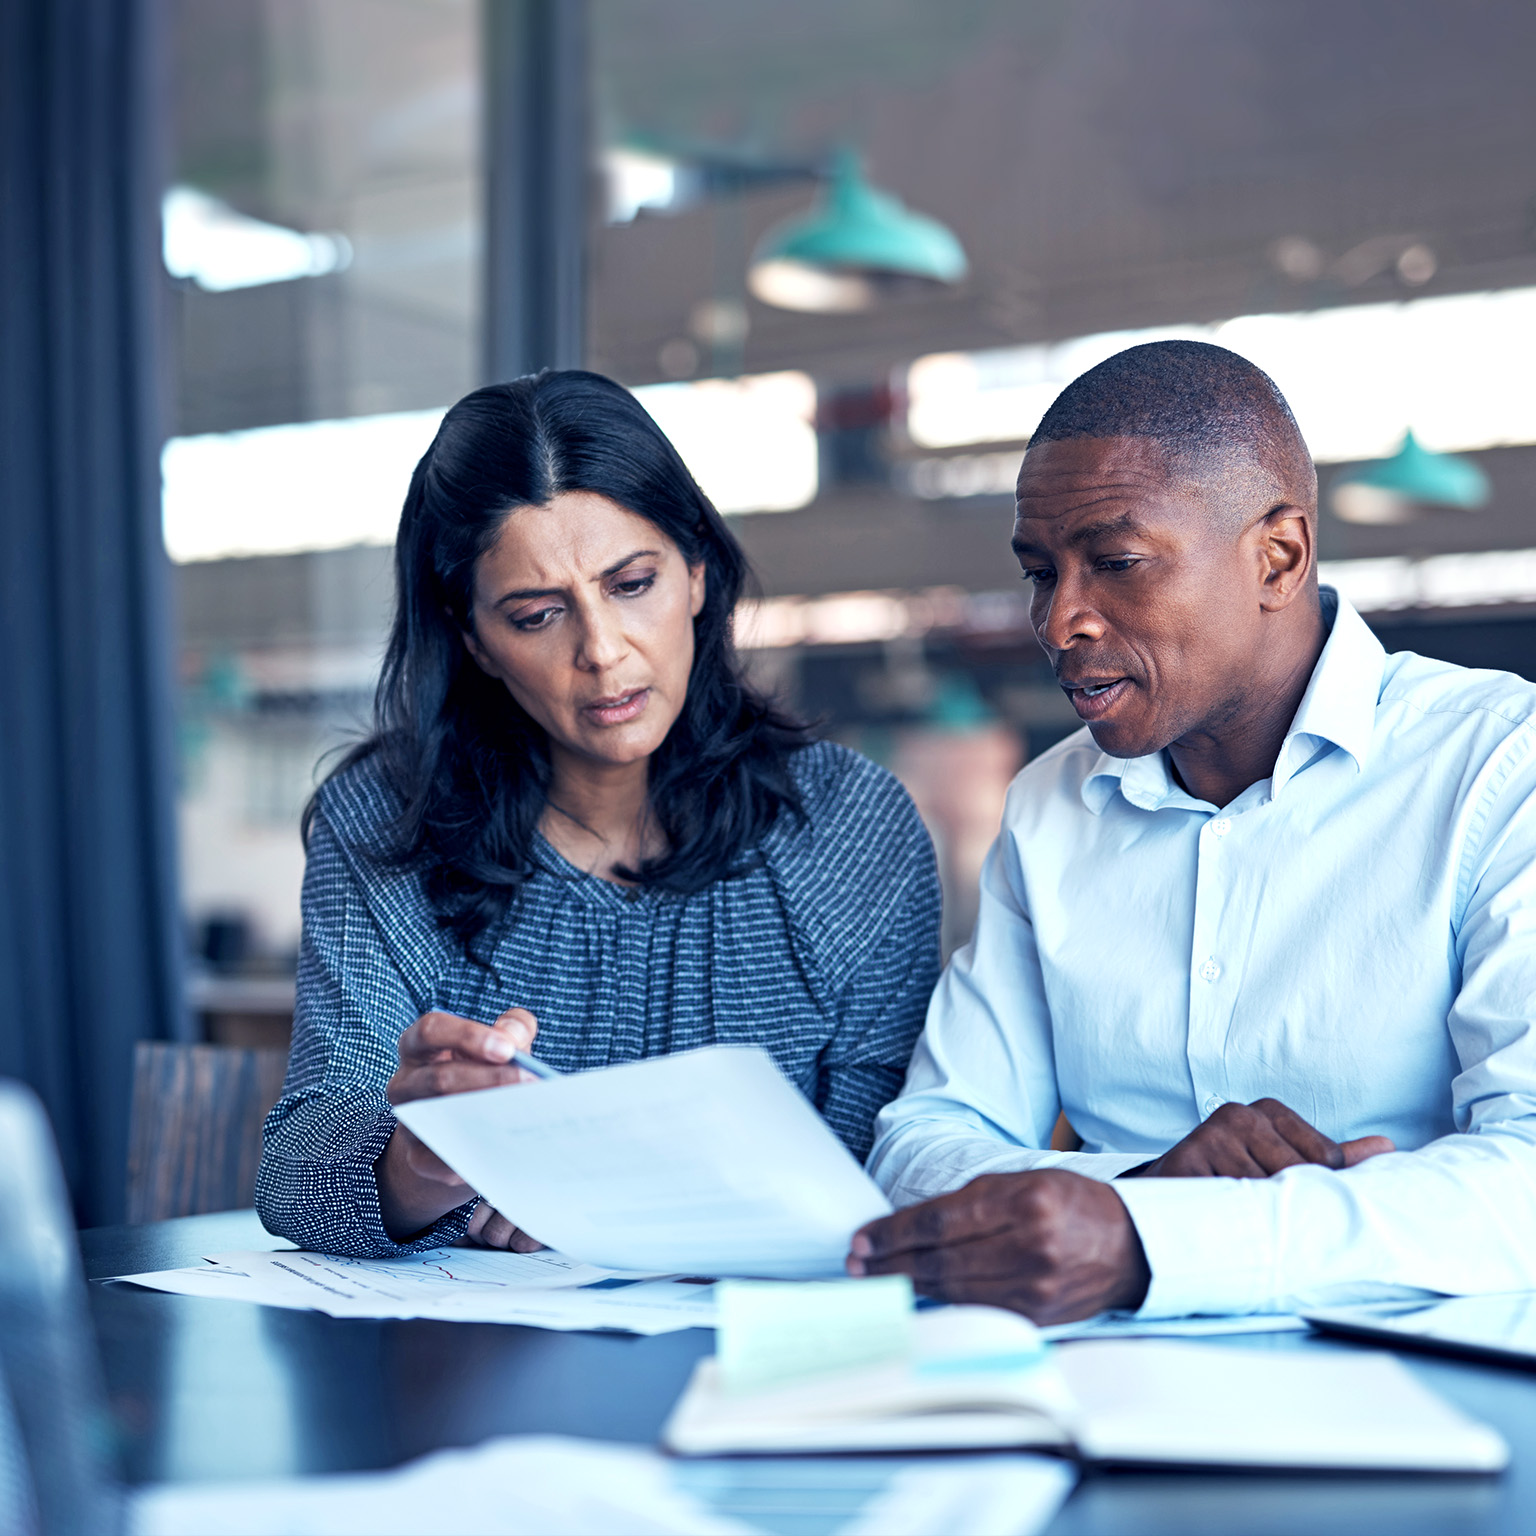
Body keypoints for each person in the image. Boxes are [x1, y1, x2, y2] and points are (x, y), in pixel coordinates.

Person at [852, 339, 1536, 1323]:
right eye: (1042, 573)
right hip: (1093, 1392)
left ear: (1278, 556)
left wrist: (1148, 1241)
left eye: (1116, 563)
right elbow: (927, 1137)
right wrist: (1148, 1186)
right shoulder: (1052, 806)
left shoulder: (1499, 767)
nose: (1061, 621)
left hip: (1416, 1403)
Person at [257, 370, 940, 1257]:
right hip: (479, 1374)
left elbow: (881, 1169)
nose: (603, 651)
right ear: (475, 642)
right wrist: (423, 1170)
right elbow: (296, 1172)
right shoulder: (387, 822)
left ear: (697, 571)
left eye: (632, 583)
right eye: (538, 615)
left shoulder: (850, 830)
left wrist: (609, 1202)